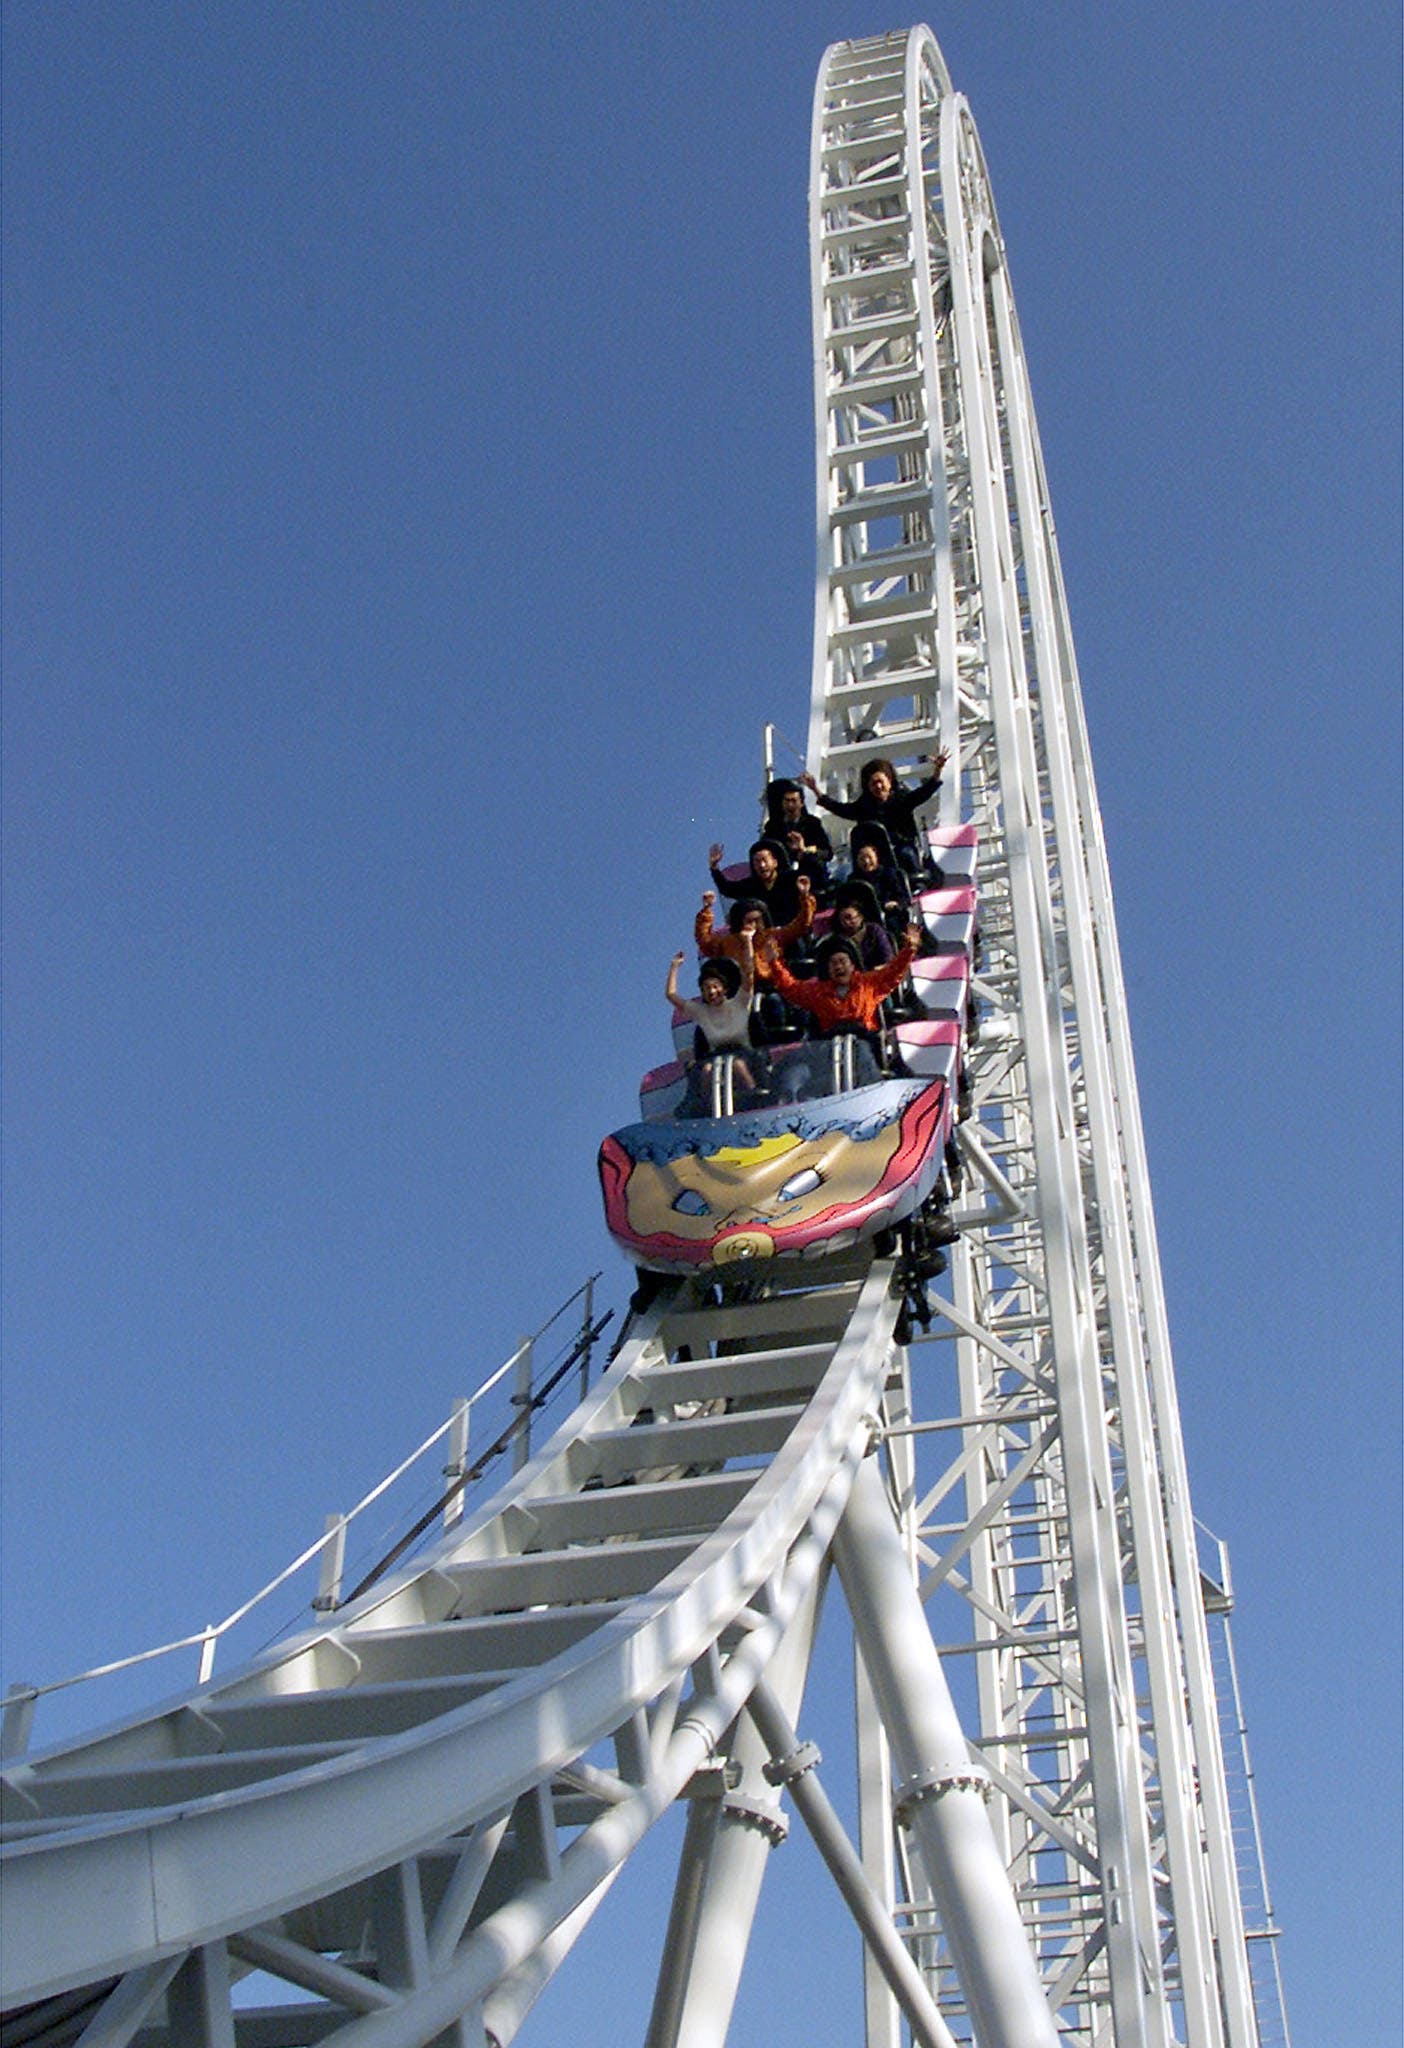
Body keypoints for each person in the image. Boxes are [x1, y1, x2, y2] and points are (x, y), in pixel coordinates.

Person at [768, 922, 922, 1097]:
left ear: (852, 965)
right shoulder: (817, 991)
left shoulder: (868, 983)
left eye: (842, 961)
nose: (838, 967)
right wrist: (774, 962)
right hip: (827, 1046)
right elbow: (790, 987)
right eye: (833, 963)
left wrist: (909, 948)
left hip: (864, 1040)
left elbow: (894, 972)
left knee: (864, 1056)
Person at [801, 751, 949, 876]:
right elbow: (840, 809)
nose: (878, 786)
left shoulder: (902, 799)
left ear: (889, 781)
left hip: (901, 847)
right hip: (874, 854)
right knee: (848, 870)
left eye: (880, 781)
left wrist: (937, 771)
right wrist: (815, 790)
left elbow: (923, 793)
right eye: (873, 783)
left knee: (905, 855)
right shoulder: (864, 806)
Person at [665, 937, 762, 1114]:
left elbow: (748, 972)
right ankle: (708, 1109)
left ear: (724, 988)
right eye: (706, 989)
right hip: (716, 1056)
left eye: (715, 987)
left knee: (738, 1066)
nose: (711, 992)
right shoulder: (701, 1012)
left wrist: (747, 941)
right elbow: (671, 995)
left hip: (744, 1052)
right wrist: (674, 966)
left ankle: (756, 1100)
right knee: (707, 1070)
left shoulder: (739, 1003)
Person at [708, 836, 802, 926]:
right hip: (767, 936)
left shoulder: (790, 878)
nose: (762, 865)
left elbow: (812, 874)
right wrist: (714, 867)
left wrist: (802, 851)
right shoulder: (751, 886)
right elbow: (726, 888)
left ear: (775, 862)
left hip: (795, 929)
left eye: (765, 860)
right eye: (757, 862)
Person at [831, 879, 895, 971]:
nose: (847, 922)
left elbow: (888, 960)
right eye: (843, 919)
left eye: (850, 918)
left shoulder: (874, 931)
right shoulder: (838, 940)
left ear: (861, 917)